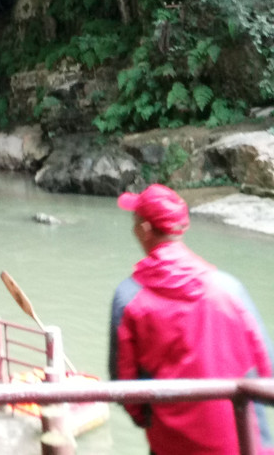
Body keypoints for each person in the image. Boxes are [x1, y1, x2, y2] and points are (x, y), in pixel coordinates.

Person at [110, 182, 274, 454]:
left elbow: (126, 389)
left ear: (145, 229)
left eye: (135, 222)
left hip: (171, 445)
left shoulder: (128, 298)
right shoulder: (228, 288)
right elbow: (267, 368)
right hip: (243, 444)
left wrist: (150, 421)